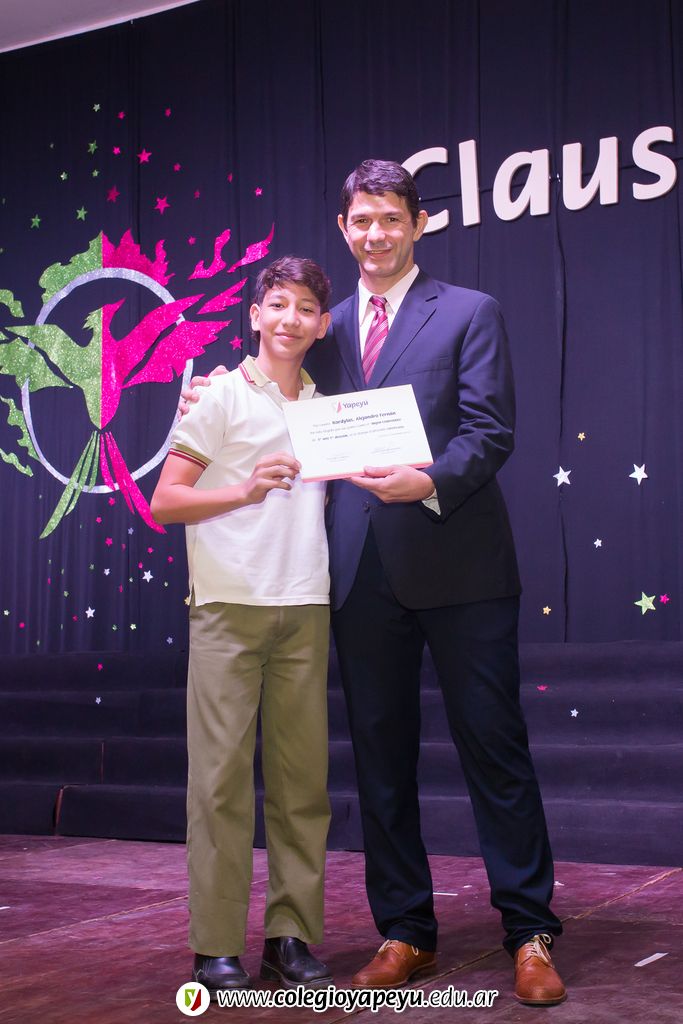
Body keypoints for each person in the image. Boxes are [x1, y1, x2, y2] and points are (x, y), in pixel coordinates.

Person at [184, 160, 566, 1007]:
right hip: (355, 574)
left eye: (391, 218)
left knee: (493, 750)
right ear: (344, 227)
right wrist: (204, 388)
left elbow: (489, 430)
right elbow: (268, 385)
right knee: (380, 763)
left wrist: (426, 480)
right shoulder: (324, 327)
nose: (375, 233)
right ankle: (405, 930)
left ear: (417, 224)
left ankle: (529, 932)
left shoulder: (468, 311)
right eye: (361, 219)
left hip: (460, 565)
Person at [151, 256, 334, 997]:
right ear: (255, 315)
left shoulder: (327, 410)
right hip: (228, 606)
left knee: (302, 787)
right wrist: (245, 489)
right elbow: (166, 500)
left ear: (323, 325)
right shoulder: (220, 394)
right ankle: (216, 948)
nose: (291, 319)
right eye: (278, 304)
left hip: (306, 606)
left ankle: (291, 938)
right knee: (220, 784)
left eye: (305, 308)